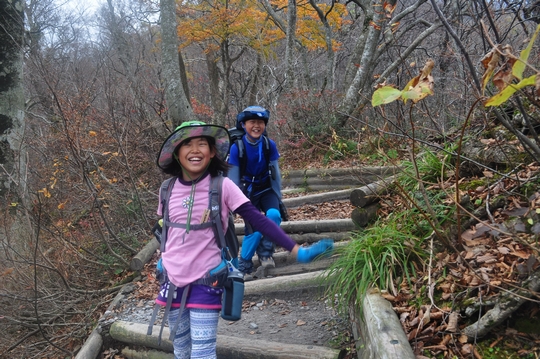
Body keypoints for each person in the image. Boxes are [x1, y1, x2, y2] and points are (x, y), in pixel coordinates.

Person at [155, 120, 333, 359]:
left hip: (206, 280)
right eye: (187, 144)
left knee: (202, 352)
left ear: (212, 152)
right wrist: (162, 258)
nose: (195, 150)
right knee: (181, 348)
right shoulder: (167, 188)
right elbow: (164, 229)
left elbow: (258, 220)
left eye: (202, 144)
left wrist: (295, 250)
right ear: (177, 153)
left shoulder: (223, 186)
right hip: (171, 281)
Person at [227, 106, 283, 276]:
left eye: (260, 122)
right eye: (252, 122)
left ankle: (266, 253)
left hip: (266, 188)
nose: (256, 126)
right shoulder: (237, 147)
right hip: (246, 191)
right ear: (243, 125)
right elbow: (233, 178)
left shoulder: (268, 144)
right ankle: (245, 262)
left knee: (274, 215)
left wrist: (278, 196)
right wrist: (234, 203)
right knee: (255, 226)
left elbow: (276, 172)